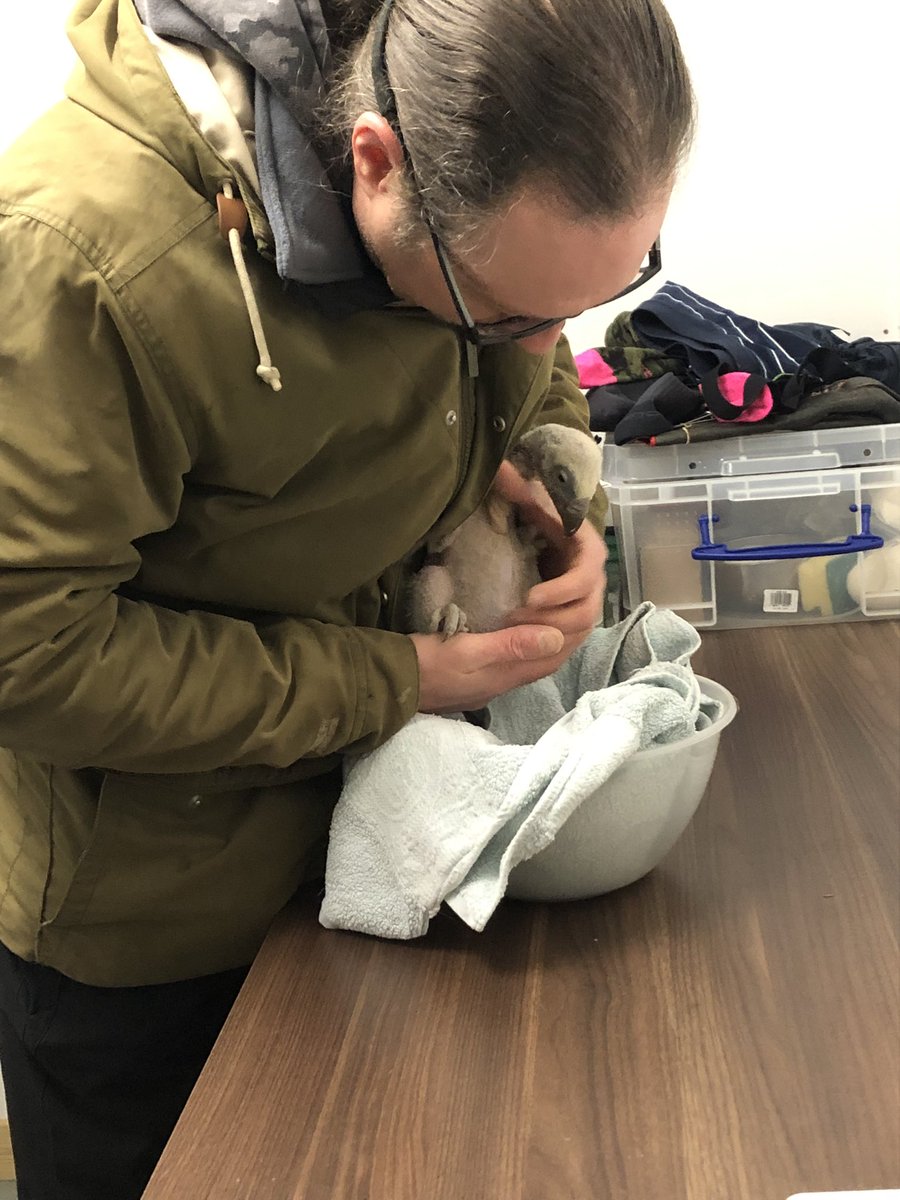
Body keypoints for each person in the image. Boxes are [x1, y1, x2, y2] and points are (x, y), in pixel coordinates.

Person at [0, 0, 694, 1195]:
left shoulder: (456, 118)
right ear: (372, 162)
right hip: (162, 930)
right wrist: (400, 680)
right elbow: (32, 654)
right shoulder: (76, 258)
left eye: (600, 292)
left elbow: (526, 375)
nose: (556, 343)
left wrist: (555, 477)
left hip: (389, 838)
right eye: (516, 314)